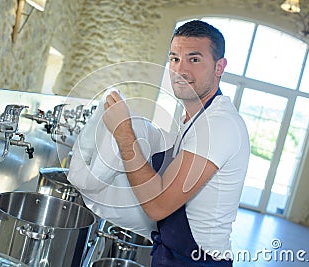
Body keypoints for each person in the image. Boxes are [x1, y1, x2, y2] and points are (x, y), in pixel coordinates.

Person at [102, 20, 250, 267]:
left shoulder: (218, 125)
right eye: (174, 59)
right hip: (173, 255)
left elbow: (159, 206)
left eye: (194, 60)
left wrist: (124, 134)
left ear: (219, 67)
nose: (180, 70)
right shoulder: (194, 118)